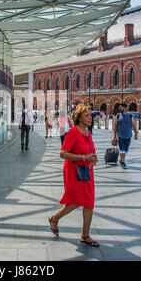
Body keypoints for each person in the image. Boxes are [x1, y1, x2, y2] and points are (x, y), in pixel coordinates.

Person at [48, 105, 100, 247]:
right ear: (79, 118)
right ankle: (54, 218)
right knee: (75, 201)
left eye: (90, 115)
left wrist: (92, 158)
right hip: (73, 171)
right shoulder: (73, 132)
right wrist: (84, 157)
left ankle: (85, 235)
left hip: (87, 171)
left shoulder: (88, 133)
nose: (90, 118)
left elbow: (89, 151)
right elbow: (63, 153)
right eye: (87, 116)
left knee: (89, 202)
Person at [113, 103, 138, 169]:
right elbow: (115, 126)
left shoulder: (130, 116)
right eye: (119, 107)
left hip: (128, 135)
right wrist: (115, 136)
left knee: (126, 150)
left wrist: (136, 134)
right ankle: (123, 162)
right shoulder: (117, 116)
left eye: (121, 107)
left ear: (125, 108)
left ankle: (122, 160)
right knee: (122, 150)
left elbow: (134, 125)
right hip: (120, 135)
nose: (120, 108)